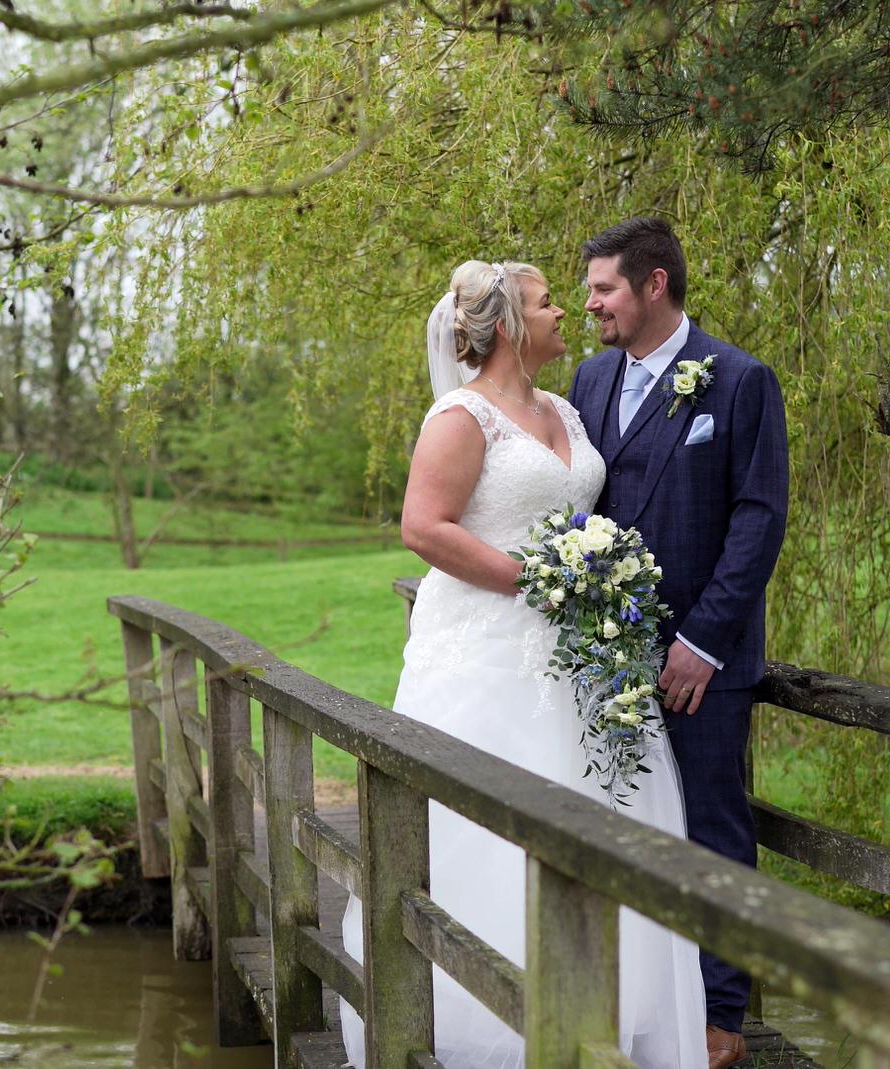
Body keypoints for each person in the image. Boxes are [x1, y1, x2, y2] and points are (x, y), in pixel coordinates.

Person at [338, 259, 706, 1069]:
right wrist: (538, 579)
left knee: (602, 809)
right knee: (489, 827)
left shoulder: (566, 410)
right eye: (547, 303)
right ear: (508, 323)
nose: (565, 312)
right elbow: (423, 526)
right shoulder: (460, 417)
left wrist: (599, 577)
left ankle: (604, 1019)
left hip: (583, 653)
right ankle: (488, 1028)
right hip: (489, 651)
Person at [570, 217, 790, 1069]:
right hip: (605, 660)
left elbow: (758, 519)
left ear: (653, 285)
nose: (591, 304)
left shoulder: (737, 381)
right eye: (587, 291)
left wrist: (702, 641)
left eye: (604, 289)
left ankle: (721, 1016)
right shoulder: (590, 380)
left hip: (702, 666)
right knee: (616, 820)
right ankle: (634, 998)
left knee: (711, 829)